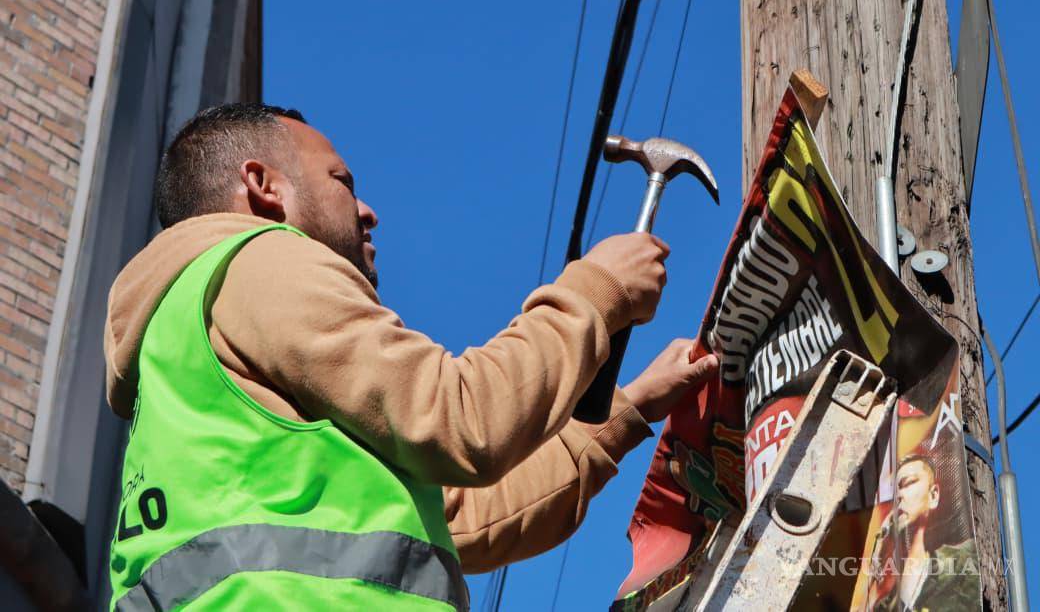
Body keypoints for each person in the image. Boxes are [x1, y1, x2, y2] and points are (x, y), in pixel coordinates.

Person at [103, 103, 719, 610]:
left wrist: (627, 409)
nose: (367, 210)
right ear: (262, 187)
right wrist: (597, 290)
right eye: (341, 182)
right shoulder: (259, 260)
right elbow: (461, 419)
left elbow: (467, 517)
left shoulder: (189, 354)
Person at [869, 454, 979, 611]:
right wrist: (880, 558)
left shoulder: (962, 560)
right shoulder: (886, 602)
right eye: (895, 491)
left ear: (933, 495)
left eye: (908, 483)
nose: (898, 496)